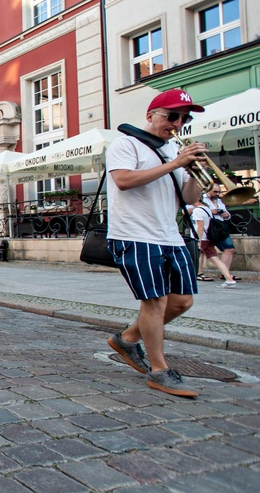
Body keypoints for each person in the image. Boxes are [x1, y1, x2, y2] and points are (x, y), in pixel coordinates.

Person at [105, 88, 207, 398]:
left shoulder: (169, 151)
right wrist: (176, 163)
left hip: (169, 236)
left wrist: (194, 173)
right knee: (155, 301)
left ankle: (128, 338)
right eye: (171, 116)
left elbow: (189, 200)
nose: (177, 123)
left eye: (183, 118)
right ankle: (160, 370)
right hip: (135, 234)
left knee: (182, 301)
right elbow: (123, 180)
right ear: (151, 116)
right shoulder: (126, 144)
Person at [191, 197, 237, 287]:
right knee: (215, 258)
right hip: (208, 237)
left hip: (202, 238)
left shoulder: (197, 211)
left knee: (214, 259)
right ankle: (229, 278)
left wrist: (198, 240)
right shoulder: (206, 209)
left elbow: (200, 226)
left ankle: (229, 279)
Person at [201, 184, 240, 281]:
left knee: (229, 248)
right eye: (215, 192)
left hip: (219, 228)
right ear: (208, 190)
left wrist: (226, 215)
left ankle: (225, 273)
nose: (217, 194)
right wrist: (209, 211)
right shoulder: (200, 199)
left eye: (219, 192)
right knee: (201, 250)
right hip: (206, 227)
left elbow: (227, 213)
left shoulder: (219, 200)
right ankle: (199, 273)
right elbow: (189, 211)